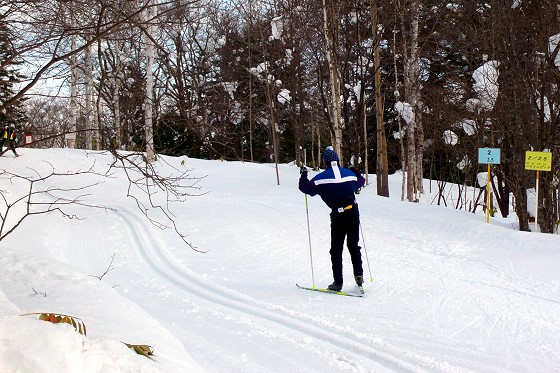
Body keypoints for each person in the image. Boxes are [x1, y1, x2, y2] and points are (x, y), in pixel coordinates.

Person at [299, 146, 366, 291]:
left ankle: (338, 283)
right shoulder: (349, 174)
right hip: (353, 212)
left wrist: (304, 174)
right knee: (353, 245)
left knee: (336, 249)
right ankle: (359, 276)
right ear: (337, 160)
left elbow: (305, 188)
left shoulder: (321, 178)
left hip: (338, 215)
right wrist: (353, 169)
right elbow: (361, 181)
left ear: (325, 162)